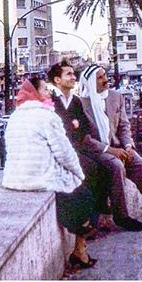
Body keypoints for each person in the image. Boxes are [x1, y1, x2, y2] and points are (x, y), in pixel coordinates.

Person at [2, 76, 97, 270]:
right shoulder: (47, 116)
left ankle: (80, 250)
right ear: (36, 93)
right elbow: (64, 152)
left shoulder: (15, 116)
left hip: (16, 178)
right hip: (40, 178)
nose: (49, 93)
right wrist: (79, 174)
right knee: (87, 194)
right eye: (45, 90)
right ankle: (80, 250)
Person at [79, 65, 142, 231]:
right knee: (116, 166)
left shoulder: (116, 97)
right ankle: (121, 216)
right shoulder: (80, 104)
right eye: (100, 78)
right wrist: (110, 151)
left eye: (105, 75)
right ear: (89, 82)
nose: (105, 80)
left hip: (120, 148)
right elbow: (84, 138)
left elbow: (124, 126)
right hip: (97, 152)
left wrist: (128, 146)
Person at [48, 61, 113, 229]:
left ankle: (97, 215)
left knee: (106, 166)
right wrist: (72, 125)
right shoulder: (50, 100)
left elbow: (82, 128)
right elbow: (56, 129)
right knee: (89, 170)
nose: (73, 77)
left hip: (77, 149)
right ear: (57, 80)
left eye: (73, 73)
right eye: (68, 74)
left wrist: (74, 125)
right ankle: (85, 222)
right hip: (58, 153)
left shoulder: (75, 101)